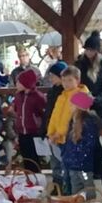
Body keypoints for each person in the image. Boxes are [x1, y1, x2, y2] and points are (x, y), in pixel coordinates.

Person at [75, 31, 102, 201]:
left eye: (92, 50)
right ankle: (87, 195)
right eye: (87, 50)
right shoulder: (79, 65)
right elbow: (76, 88)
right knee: (87, 156)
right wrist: (86, 102)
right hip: (84, 113)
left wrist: (95, 100)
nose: (88, 53)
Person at [62, 91, 99, 195]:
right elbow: (68, 144)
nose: (70, 107)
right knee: (76, 193)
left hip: (84, 166)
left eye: (72, 104)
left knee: (88, 191)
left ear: (78, 106)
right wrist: (66, 157)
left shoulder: (88, 123)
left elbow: (90, 144)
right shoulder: (72, 122)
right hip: (72, 165)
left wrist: (81, 160)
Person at [13, 68, 46, 173]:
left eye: (19, 82)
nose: (16, 84)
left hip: (34, 132)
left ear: (26, 83)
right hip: (22, 132)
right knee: (25, 157)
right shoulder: (18, 96)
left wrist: (41, 129)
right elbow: (17, 111)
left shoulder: (38, 97)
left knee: (34, 157)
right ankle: (28, 177)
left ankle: (36, 176)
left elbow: (43, 114)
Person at [41, 61, 68, 190]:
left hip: (65, 133)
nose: (50, 78)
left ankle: (67, 187)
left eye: (53, 76)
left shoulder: (73, 92)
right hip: (53, 132)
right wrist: (44, 128)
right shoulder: (53, 91)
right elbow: (49, 112)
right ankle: (57, 186)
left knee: (65, 162)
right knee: (55, 161)